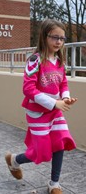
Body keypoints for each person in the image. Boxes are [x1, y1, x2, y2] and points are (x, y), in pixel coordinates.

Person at [5, 19, 77, 194]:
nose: (59, 41)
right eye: (55, 37)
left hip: (55, 112)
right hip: (37, 112)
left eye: (62, 38)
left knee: (60, 142)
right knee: (41, 152)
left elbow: (63, 84)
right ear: (45, 37)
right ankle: (14, 160)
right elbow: (28, 89)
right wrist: (54, 103)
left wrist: (65, 98)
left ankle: (54, 183)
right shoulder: (34, 60)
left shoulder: (59, 62)